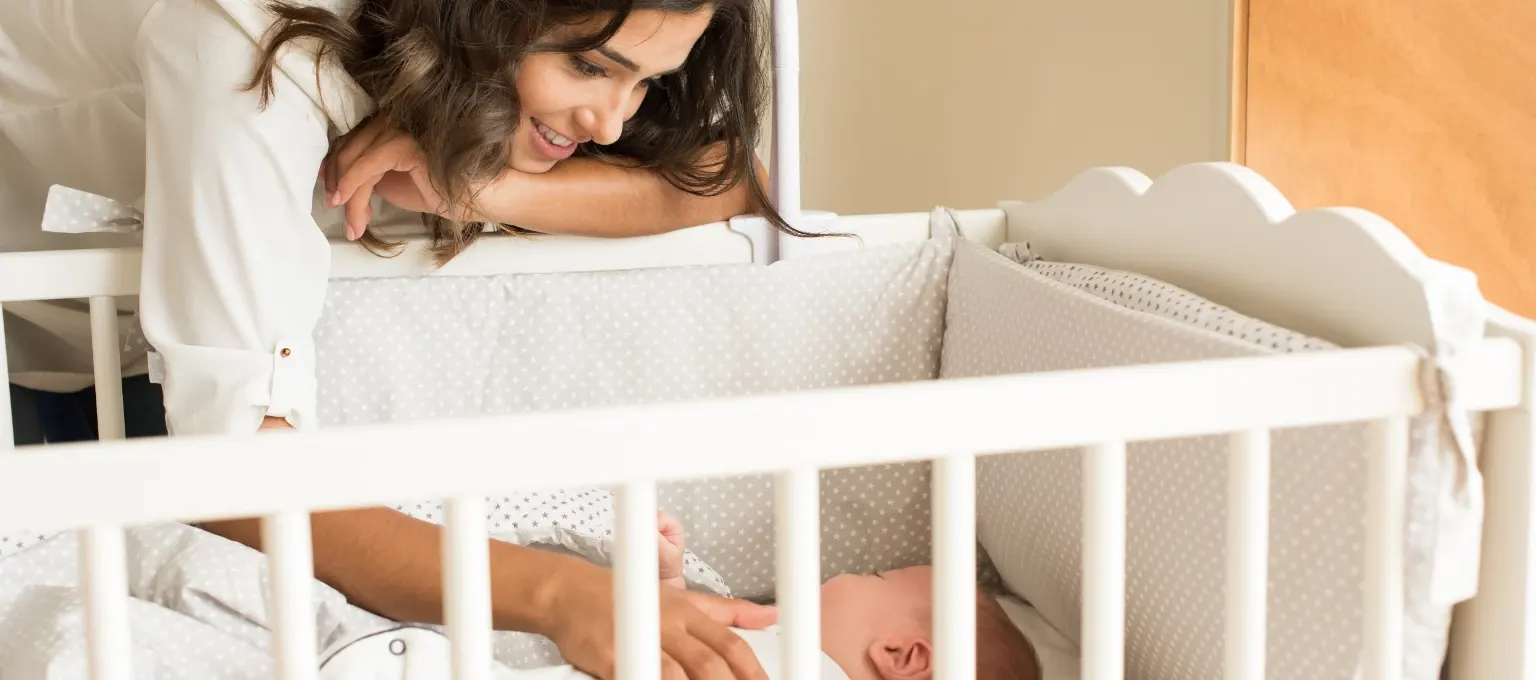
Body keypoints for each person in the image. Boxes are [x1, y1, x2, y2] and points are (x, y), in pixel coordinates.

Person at [0, 0, 810, 677]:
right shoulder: (251, 36)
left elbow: (738, 182)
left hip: (160, 344)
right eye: (591, 68)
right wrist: (564, 596)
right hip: (37, 311)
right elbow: (241, 477)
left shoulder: (525, 79)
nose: (608, 123)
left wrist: (477, 182)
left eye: (648, 80)